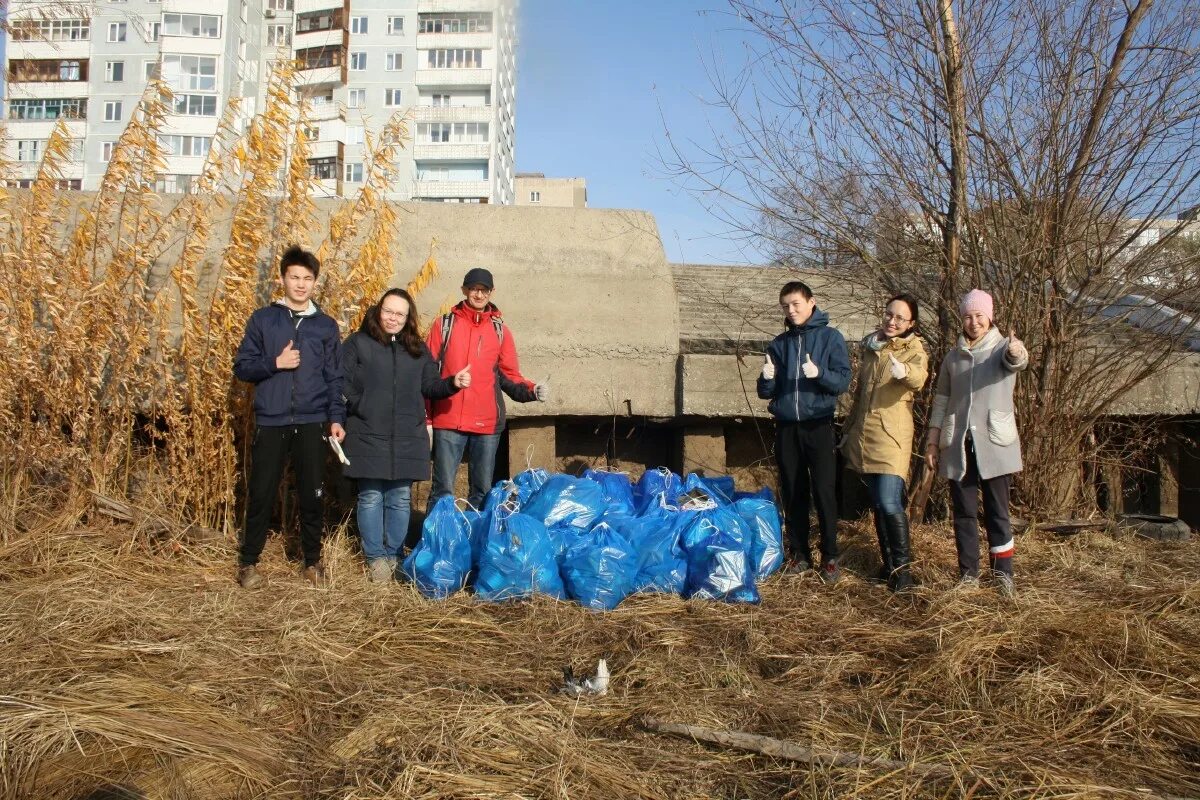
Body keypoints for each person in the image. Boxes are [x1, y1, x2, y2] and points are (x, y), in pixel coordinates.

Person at [233, 245, 345, 589]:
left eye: (307, 279)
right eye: (294, 277)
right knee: (262, 491)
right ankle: (248, 562)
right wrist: (275, 364)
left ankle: (312, 562)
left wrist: (336, 418)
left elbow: (334, 377)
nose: (300, 284)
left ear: (315, 283)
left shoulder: (325, 326)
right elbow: (242, 367)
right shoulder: (263, 319)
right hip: (272, 420)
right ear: (282, 278)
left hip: (312, 421)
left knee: (313, 493)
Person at [341, 289, 472, 583]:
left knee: (400, 498)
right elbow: (341, 382)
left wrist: (453, 383)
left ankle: (394, 553)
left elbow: (430, 387)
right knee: (371, 496)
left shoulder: (416, 350)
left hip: (406, 435)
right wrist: (360, 405)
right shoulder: (358, 344)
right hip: (367, 432)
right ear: (379, 311)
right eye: (389, 311)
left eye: (400, 314)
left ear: (407, 317)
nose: (393, 318)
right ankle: (375, 558)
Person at [924, 289, 1029, 596]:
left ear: (989, 316)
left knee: (998, 511)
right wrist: (932, 441)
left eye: (979, 316)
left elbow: (1017, 361)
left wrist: (1017, 351)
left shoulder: (1003, 349)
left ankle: (1003, 574)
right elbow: (941, 401)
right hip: (958, 444)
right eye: (968, 316)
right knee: (964, 512)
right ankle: (968, 574)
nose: (973, 322)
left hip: (994, 443)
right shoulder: (952, 357)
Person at [426, 268, 547, 509]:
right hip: (448, 419)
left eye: (484, 290)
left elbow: (510, 375)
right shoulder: (444, 325)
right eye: (474, 289)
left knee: (482, 492)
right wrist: (427, 418)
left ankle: (476, 542)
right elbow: (427, 373)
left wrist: (533, 390)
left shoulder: (500, 330)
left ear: (491, 293)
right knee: (443, 491)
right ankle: (436, 545)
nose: (479, 295)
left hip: (487, 423)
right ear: (464, 290)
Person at [757, 280, 852, 583]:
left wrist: (819, 373)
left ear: (812, 302)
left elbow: (842, 381)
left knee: (824, 491)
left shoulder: (830, 338)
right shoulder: (779, 344)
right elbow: (766, 392)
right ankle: (799, 554)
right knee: (793, 490)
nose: (791, 310)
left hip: (819, 425)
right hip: (787, 427)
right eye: (786, 305)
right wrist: (767, 378)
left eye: (796, 303)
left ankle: (831, 556)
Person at [840, 294, 929, 591]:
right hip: (868, 434)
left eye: (900, 318)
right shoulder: (870, 347)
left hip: (893, 437)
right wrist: (850, 431)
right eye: (889, 314)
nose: (892, 321)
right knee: (879, 503)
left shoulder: (913, 349)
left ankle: (904, 571)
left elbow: (919, 378)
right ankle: (888, 565)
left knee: (891, 503)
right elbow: (861, 396)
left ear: (911, 323)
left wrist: (904, 373)